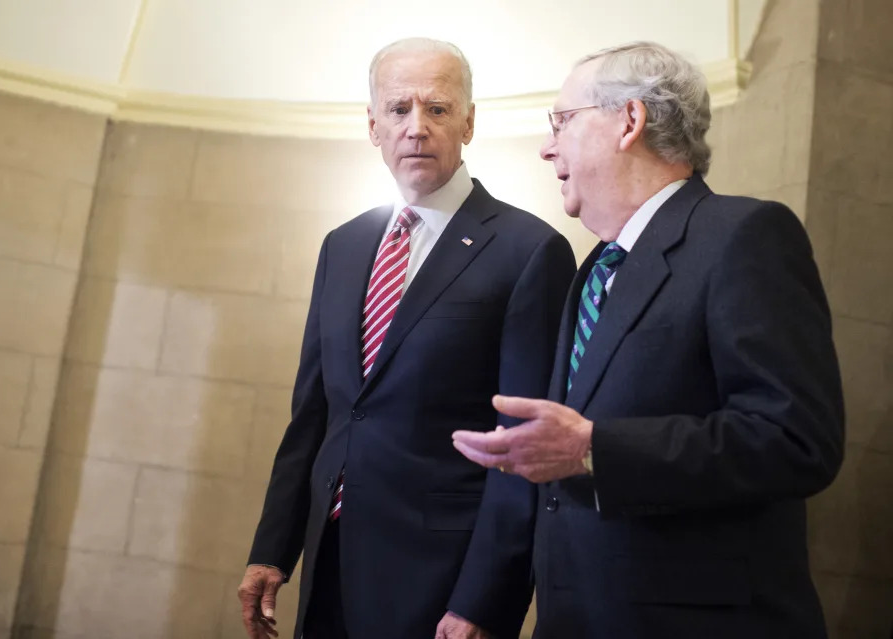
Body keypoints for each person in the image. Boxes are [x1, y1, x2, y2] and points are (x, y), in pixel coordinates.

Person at [452, 41, 844, 639]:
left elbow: (794, 438)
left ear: (628, 121)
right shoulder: (593, 269)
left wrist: (594, 451)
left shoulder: (744, 235)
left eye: (562, 121)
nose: (546, 145)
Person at [238, 37, 576, 639]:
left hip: (439, 586)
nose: (416, 128)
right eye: (398, 110)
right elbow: (315, 417)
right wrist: (272, 549)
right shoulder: (342, 246)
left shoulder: (529, 251)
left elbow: (524, 450)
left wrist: (484, 601)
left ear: (468, 123)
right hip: (330, 565)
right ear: (373, 126)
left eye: (437, 109)